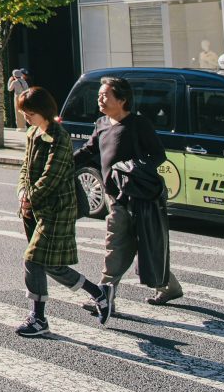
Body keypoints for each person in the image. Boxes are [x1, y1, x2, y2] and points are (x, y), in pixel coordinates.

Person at [74, 77, 183, 308]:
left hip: (138, 196)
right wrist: (64, 163)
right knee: (120, 244)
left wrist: (131, 168)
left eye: (105, 95)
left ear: (122, 99)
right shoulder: (102, 123)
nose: (100, 99)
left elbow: (157, 155)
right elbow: (89, 150)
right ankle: (169, 286)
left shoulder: (138, 124)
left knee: (136, 244)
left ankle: (104, 296)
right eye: (99, 95)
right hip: (115, 197)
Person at [15, 87, 114, 336]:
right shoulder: (33, 133)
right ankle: (98, 293)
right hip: (34, 208)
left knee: (33, 259)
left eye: (30, 113)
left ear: (43, 111)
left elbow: (53, 176)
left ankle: (39, 319)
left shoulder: (59, 137)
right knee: (49, 264)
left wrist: (31, 197)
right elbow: (25, 168)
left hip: (57, 209)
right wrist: (21, 193)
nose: (26, 118)